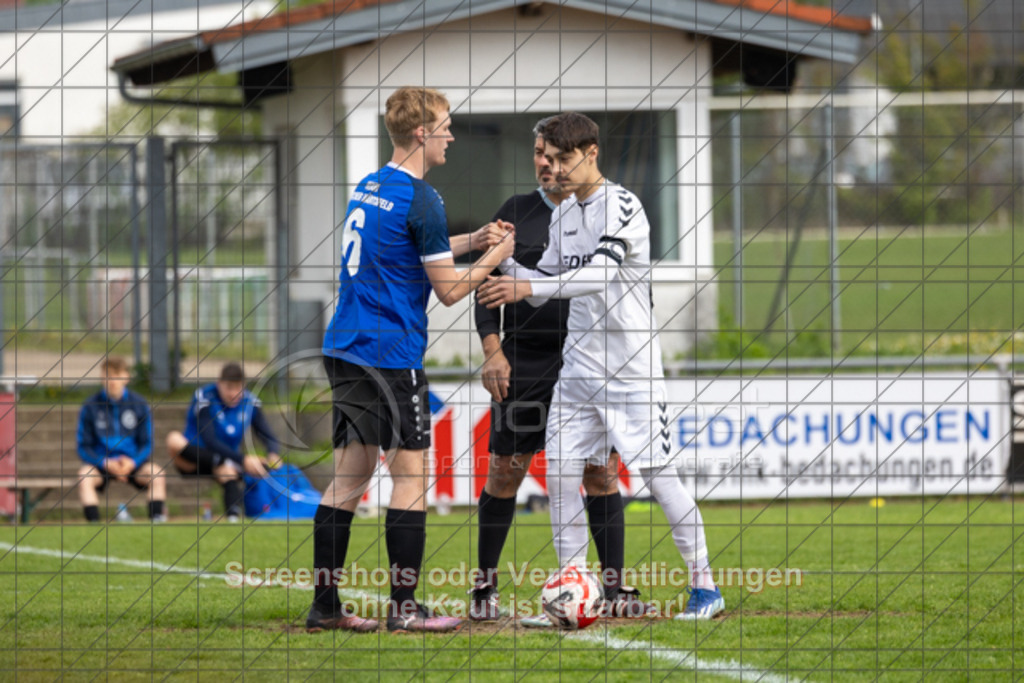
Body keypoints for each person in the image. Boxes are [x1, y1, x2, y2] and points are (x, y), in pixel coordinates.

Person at [479, 112, 725, 621]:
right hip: (578, 371)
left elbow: (600, 275)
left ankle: (706, 587)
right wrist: (502, 258)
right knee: (563, 475)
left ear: (591, 152)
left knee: (659, 477)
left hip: (631, 372)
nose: (556, 168)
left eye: (565, 158)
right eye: (549, 158)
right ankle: (573, 589)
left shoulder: (624, 206)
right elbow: (540, 273)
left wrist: (525, 285)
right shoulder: (565, 215)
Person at [307, 86, 515, 635]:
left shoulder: (371, 184)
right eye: (445, 125)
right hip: (390, 353)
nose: (451, 134)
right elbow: (447, 291)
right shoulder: (424, 197)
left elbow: (409, 250)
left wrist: (472, 239)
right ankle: (405, 607)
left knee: (348, 478)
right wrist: (496, 256)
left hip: (344, 347)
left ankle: (325, 606)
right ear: (422, 133)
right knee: (410, 478)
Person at [470, 118, 648, 625]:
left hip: (590, 361)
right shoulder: (513, 215)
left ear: (578, 156)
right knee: (507, 473)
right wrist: (492, 351)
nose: (545, 164)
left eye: (553, 156)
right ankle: (484, 585)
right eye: (539, 156)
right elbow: (487, 287)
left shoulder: (605, 211)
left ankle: (612, 585)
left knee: (600, 473)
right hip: (523, 362)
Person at [166, 362, 280, 522]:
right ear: (219, 384)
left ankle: (233, 518)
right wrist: (244, 460)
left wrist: (273, 454)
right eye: (229, 388)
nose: (234, 393)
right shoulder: (205, 396)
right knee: (174, 439)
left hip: (227, 462)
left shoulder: (251, 402)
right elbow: (210, 440)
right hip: (195, 459)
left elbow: (268, 436)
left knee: (229, 471)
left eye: (238, 388)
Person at [76, 356, 165, 522]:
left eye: (117, 375)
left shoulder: (139, 404)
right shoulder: (90, 407)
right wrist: (104, 462)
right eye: (108, 375)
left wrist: (133, 462)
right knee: (84, 476)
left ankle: (157, 521)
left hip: (131, 463)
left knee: (157, 474)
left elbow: (147, 443)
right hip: (102, 464)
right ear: (102, 378)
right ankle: (94, 525)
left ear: (126, 377)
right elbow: (83, 447)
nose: (113, 381)